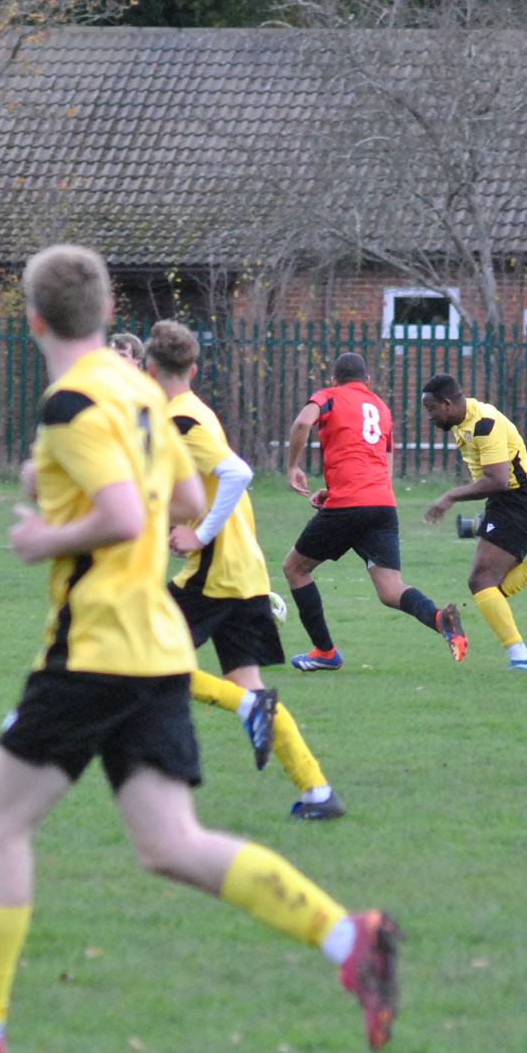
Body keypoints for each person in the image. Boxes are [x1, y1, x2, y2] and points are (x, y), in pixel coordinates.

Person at [0, 246, 398, 1053]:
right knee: (169, 844)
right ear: (108, 311)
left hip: (97, 647)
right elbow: (185, 500)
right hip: (153, 646)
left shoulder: (73, 399)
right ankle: (351, 938)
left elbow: (123, 514)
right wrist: (56, 478)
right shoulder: (142, 395)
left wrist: (43, 535)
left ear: (33, 319)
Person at [141, 319, 349, 821]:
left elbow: (238, 473)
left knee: (137, 657)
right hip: (242, 568)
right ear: (193, 369)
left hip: (217, 571)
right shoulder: (196, 411)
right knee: (247, 683)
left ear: (148, 368)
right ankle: (318, 793)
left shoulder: (181, 420)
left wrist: (200, 536)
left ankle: (242, 714)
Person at [281, 351, 466, 671]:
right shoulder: (381, 408)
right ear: (367, 381)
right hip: (382, 504)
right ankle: (440, 619)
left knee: (295, 569)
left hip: (349, 505)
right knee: (391, 589)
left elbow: (302, 422)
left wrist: (293, 466)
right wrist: (338, 489)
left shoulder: (329, 396)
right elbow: (384, 462)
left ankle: (325, 652)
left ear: (334, 380)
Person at [418, 373, 527, 672]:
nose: (429, 416)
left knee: (482, 582)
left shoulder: (484, 424)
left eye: (431, 408)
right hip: (510, 502)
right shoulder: (462, 420)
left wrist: (450, 496)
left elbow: (497, 480)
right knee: (491, 587)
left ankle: (521, 658)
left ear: (448, 404)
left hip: (519, 501)